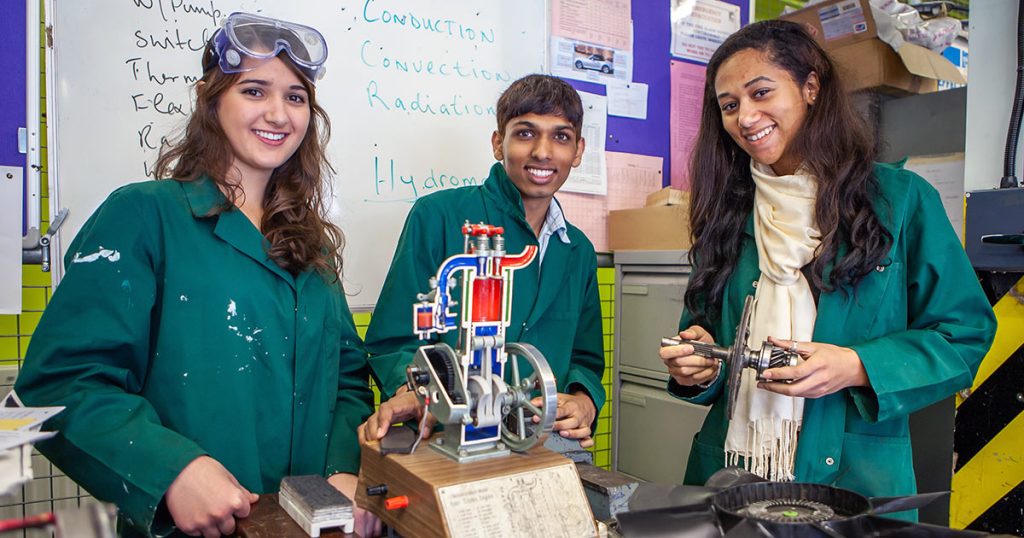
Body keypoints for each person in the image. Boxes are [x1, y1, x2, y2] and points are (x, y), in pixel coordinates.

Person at [14, 13, 380, 538]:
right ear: (212, 98)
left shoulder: (309, 242)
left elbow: (345, 376)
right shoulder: (145, 217)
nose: (278, 113)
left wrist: (344, 468)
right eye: (255, 91)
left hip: (310, 524)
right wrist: (173, 471)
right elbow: (61, 383)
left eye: (296, 97)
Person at [659, 19, 995, 515]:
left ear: (811, 86)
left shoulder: (899, 202)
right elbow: (706, 333)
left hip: (857, 480)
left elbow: (964, 335)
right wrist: (699, 364)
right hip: (734, 473)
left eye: (761, 92)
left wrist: (855, 366)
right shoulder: (728, 211)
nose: (745, 117)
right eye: (729, 105)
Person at [360, 74, 605, 447]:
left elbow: (585, 360)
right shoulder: (437, 216)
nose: (543, 151)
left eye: (560, 136)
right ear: (497, 143)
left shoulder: (579, 251)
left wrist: (584, 401)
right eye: (525, 133)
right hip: (446, 435)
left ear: (578, 150)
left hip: (541, 438)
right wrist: (413, 391)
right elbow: (393, 340)